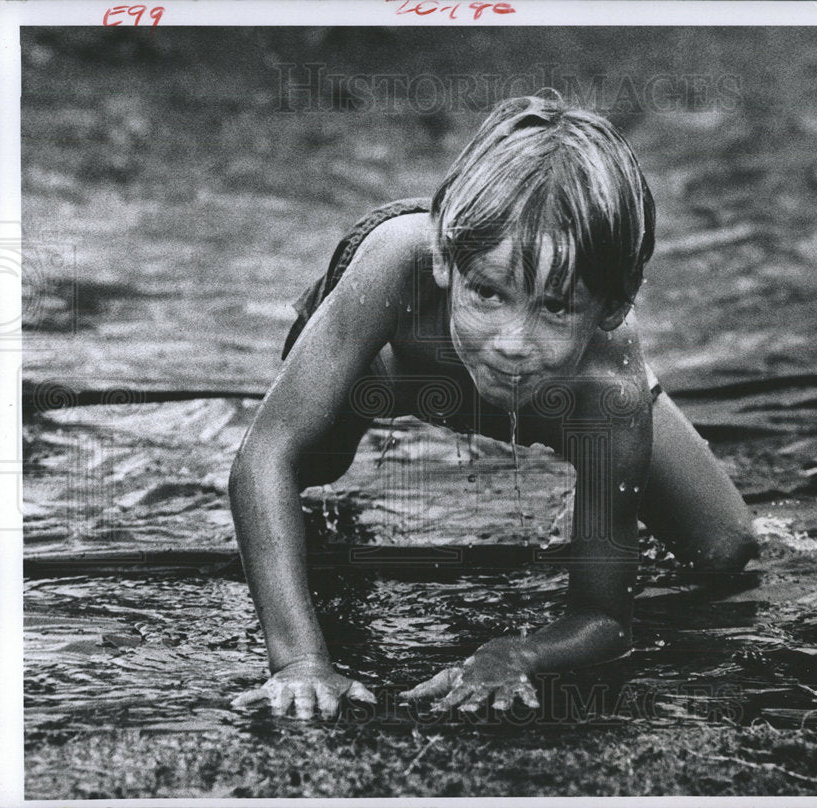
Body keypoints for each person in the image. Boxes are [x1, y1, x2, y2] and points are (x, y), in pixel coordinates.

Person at [229, 92, 758, 720]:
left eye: (555, 306)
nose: (513, 343)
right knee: (314, 465)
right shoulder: (399, 261)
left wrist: (519, 652)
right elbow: (264, 456)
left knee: (726, 547)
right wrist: (299, 662)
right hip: (397, 361)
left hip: (563, 386)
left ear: (612, 308)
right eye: (488, 293)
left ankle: (585, 423)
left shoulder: (607, 387)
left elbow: (605, 619)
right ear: (445, 261)